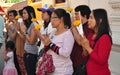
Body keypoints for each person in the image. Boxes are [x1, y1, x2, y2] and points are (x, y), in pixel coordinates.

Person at [79, 9, 112, 75]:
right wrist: (84, 47)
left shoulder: (105, 38)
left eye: (91, 18)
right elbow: (85, 56)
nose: (88, 20)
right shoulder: (90, 35)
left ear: (100, 21)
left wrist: (88, 47)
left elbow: (101, 60)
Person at [43, 8, 74, 75]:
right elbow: (47, 50)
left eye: (54, 18)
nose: (51, 21)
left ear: (61, 19)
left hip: (63, 71)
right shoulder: (52, 33)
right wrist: (46, 44)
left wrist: (51, 45)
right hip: (51, 69)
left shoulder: (67, 34)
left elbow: (66, 53)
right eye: (51, 18)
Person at [70, 5, 93, 75]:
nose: (75, 16)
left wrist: (73, 27)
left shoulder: (88, 28)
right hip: (74, 61)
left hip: (81, 62)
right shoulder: (79, 26)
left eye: (77, 14)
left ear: (85, 16)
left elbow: (80, 42)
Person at [21, 6, 38, 75]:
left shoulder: (34, 24)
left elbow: (31, 41)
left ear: (30, 14)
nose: (23, 15)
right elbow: (26, 39)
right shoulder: (29, 25)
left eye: (25, 13)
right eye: (23, 13)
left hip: (31, 54)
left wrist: (24, 32)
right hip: (27, 53)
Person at [15, 9, 27, 75]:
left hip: (23, 51)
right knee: (21, 69)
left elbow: (24, 38)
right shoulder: (19, 23)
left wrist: (18, 31)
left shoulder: (25, 25)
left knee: (25, 70)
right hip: (18, 51)